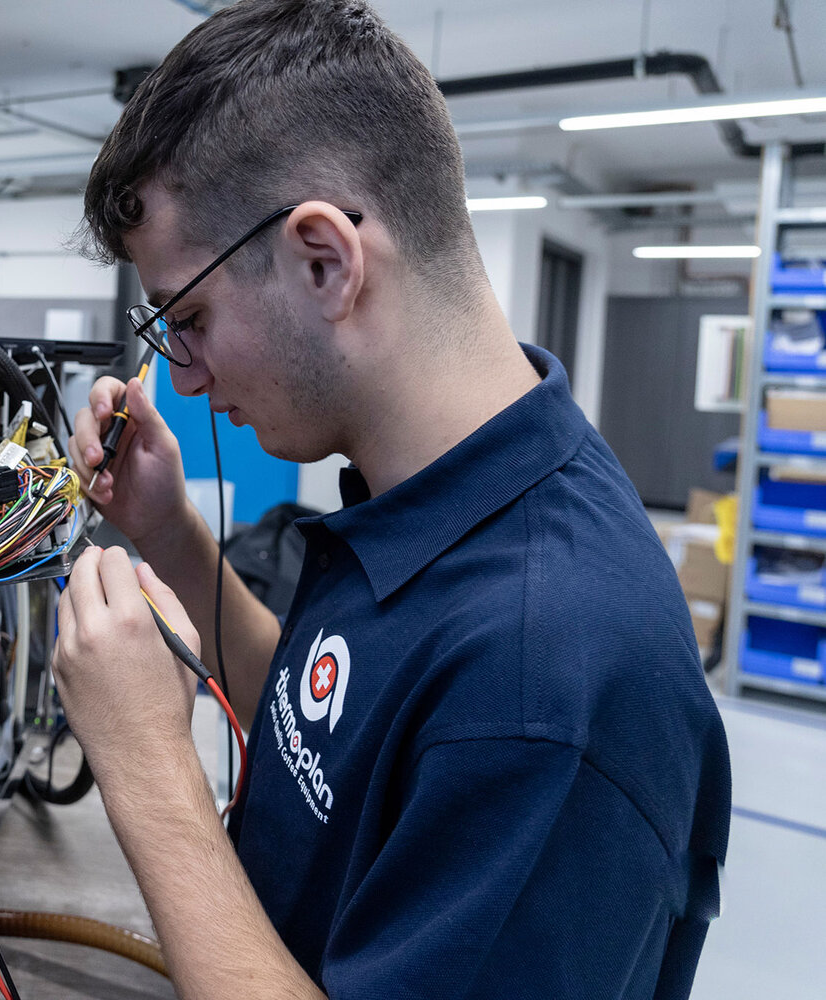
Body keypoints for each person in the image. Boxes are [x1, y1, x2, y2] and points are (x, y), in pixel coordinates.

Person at [51, 1, 732, 998]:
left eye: (187, 316)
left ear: (324, 260)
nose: (183, 377)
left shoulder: (552, 689)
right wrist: (170, 533)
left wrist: (150, 770)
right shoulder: (429, 497)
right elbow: (317, 731)